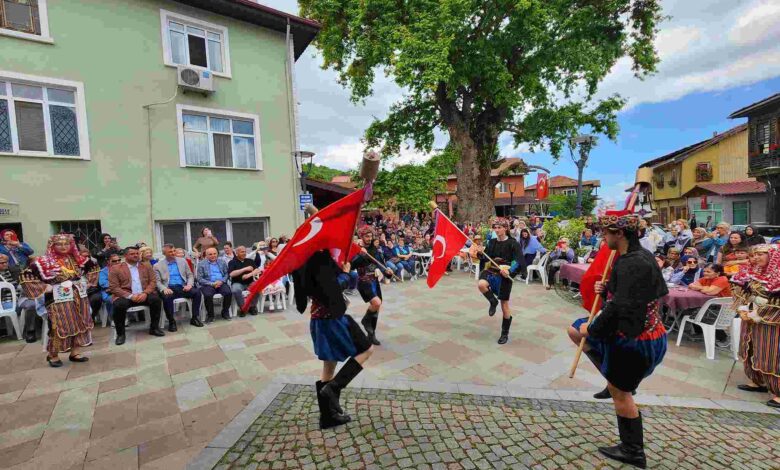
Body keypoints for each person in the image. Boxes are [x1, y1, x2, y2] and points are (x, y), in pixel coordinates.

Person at [567, 213, 667, 468]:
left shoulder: (630, 262)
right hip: (650, 335)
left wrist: (594, 327)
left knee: (621, 395)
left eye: (606, 233)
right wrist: (610, 286)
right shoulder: (642, 256)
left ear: (619, 234)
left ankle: (633, 450)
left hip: (636, 341)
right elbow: (639, 291)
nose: (603, 238)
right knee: (574, 330)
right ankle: (615, 381)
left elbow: (620, 308)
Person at [20, 234, 99, 366]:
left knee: (80, 323)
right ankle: (53, 355)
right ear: (52, 246)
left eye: (66, 244)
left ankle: (75, 352)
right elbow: (26, 276)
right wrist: (45, 286)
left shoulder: (77, 258)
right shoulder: (43, 261)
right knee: (59, 326)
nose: (63, 247)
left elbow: (93, 267)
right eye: (59, 244)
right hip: (57, 299)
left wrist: (89, 282)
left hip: (78, 296)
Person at [731, 244, 780, 409]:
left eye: (761, 254)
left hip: (771, 322)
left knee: (772, 353)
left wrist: (760, 312)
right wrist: (745, 306)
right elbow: (742, 291)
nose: (757, 257)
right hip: (752, 318)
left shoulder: (777, 276)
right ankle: (757, 380)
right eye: (755, 254)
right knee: (751, 348)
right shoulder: (754, 272)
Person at [476, 217, 522, 344]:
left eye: (499, 227)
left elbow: (518, 261)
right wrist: (480, 253)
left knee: (505, 305)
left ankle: (504, 334)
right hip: (492, 271)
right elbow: (486, 258)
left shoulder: (513, 243)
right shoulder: (492, 242)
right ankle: (492, 301)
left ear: (505, 228)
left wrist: (510, 271)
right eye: (495, 227)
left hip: (505, 275)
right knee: (481, 284)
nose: (496, 230)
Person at [109, 246, 165, 345]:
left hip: (143, 294)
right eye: (132, 254)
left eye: (137, 253)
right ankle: (121, 334)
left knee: (156, 300)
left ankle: (154, 328)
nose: (135, 255)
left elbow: (153, 281)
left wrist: (145, 293)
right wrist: (130, 296)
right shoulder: (116, 268)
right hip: (126, 296)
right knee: (118, 305)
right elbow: (114, 288)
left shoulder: (146, 266)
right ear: (125, 256)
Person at [351, 227, 390, 345]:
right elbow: (352, 265)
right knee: (376, 303)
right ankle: (365, 321)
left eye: (370, 236)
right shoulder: (357, 249)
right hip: (363, 282)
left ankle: (371, 335)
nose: (369, 239)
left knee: (376, 308)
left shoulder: (374, 249)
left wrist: (387, 272)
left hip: (374, 281)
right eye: (366, 236)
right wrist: (361, 255)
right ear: (362, 236)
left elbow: (381, 264)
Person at [155, 243, 204, 328]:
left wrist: (189, 285)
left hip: (182, 286)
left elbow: (190, 275)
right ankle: (171, 321)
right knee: (167, 297)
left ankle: (195, 318)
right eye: (170, 252)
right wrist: (164, 289)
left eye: (174, 251)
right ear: (164, 253)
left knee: (197, 293)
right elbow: (157, 282)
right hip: (169, 287)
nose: (173, 253)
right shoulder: (157, 265)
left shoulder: (182, 261)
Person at [0, 253, 38, 342]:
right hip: (5, 302)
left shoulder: (14, 271)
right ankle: (30, 331)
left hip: (20, 297)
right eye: (1, 263)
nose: (5, 264)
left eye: (6, 262)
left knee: (33, 303)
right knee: (30, 305)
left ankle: (35, 329)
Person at [196, 247, 233, 322]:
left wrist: (222, 281)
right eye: (210, 254)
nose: (213, 256)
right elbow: (199, 279)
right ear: (206, 255)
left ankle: (225, 312)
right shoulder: (201, 264)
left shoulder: (222, 262)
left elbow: (226, 274)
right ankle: (210, 315)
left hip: (220, 282)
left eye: (214, 254)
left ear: (217, 254)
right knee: (208, 295)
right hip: (208, 284)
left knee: (228, 292)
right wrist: (212, 284)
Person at [228, 246, 261, 316]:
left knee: (257, 287)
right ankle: (243, 308)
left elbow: (257, 270)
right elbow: (231, 274)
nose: (244, 253)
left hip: (250, 282)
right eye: (242, 252)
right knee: (235, 290)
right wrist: (245, 269)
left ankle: (252, 306)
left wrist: (248, 275)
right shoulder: (232, 262)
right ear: (236, 253)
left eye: (245, 252)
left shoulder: (250, 261)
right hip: (237, 282)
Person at [78, 245, 103, 324]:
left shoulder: (92, 264)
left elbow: (94, 281)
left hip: (90, 290)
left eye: (87, 256)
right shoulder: (71, 264)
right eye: (83, 256)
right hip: (74, 291)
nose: (86, 258)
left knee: (97, 298)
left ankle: (91, 318)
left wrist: (89, 284)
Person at [98, 253, 120, 327]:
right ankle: (114, 319)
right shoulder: (103, 271)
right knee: (112, 299)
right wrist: (116, 286)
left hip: (122, 290)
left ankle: (126, 317)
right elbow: (103, 283)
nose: (117, 262)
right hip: (109, 292)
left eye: (119, 260)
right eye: (114, 261)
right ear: (108, 261)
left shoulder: (124, 269)